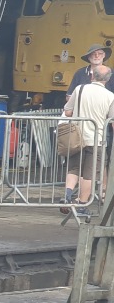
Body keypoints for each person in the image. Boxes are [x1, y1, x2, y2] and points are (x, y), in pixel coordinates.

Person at [61, 65, 114, 218]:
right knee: (89, 173)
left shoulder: (79, 89)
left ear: (92, 76)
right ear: (108, 79)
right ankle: (82, 204)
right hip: (95, 140)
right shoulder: (110, 96)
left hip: (76, 137)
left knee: (74, 168)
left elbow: (68, 111)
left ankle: (67, 195)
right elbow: (111, 120)